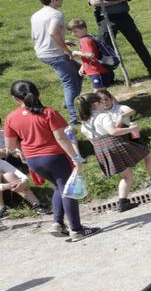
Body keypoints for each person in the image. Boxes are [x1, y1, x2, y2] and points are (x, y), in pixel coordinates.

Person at [3, 81, 98, 241]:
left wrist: (21, 149)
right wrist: (76, 158)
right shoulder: (48, 113)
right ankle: (76, 230)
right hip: (55, 158)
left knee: (59, 187)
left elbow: (10, 147)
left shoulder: (11, 118)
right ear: (38, 92)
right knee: (69, 190)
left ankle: (57, 223)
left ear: (14, 99)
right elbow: (61, 138)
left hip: (33, 161)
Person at [75, 89, 151, 212]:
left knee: (126, 175)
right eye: (101, 102)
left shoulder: (84, 124)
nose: (104, 104)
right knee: (148, 154)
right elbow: (113, 132)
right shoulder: (102, 116)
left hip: (100, 149)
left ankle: (123, 202)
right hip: (114, 144)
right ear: (96, 104)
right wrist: (130, 129)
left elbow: (93, 142)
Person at [86, 0, 151, 79]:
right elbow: (95, 2)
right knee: (104, 48)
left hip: (123, 17)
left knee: (138, 43)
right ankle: (109, 76)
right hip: (106, 19)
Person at [31, 0, 84, 121]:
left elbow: (35, 35)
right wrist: (66, 50)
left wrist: (62, 40)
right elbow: (52, 32)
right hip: (55, 54)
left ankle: (69, 102)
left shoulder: (36, 15)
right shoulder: (56, 14)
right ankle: (74, 116)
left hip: (42, 52)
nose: (61, 0)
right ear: (53, 0)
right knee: (70, 83)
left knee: (79, 70)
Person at [68, 18, 114, 90]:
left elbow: (90, 54)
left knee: (100, 92)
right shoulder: (89, 38)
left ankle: (112, 101)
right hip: (96, 70)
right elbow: (89, 57)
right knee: (102, 92)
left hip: (97, 71)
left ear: (83, 29)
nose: (73, 34)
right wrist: (83, 68)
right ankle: (113, 101)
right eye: (72, 32)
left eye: (75, 31)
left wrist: (76, 52)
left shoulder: (85, 40)